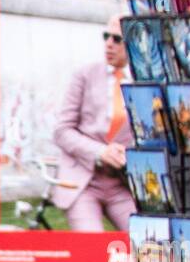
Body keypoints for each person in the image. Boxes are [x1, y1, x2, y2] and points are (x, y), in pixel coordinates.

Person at [50, 13, 137, 232]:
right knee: (90, 250)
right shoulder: (85, 75)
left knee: (148, 246)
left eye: (117, 39)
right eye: (106, 36)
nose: (109, 44)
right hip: (83, 183)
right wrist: (100, 152)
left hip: (122, 186)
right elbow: (62, 131)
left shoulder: (143, 83)